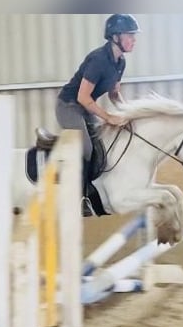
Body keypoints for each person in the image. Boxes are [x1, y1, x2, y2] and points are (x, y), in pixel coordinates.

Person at [56, 13, 140, 216]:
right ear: (115, 37)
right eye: (130, 35)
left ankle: (96, 191)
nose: (134, 39)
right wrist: (108, 117)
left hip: (84, 108)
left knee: (102, 146)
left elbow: (114, 93)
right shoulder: (98, 60)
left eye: (134, 35)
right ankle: (80, 198)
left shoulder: (120, 63)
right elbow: (83, 97)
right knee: (87, 148)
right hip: (68, 106)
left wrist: (129, 113)